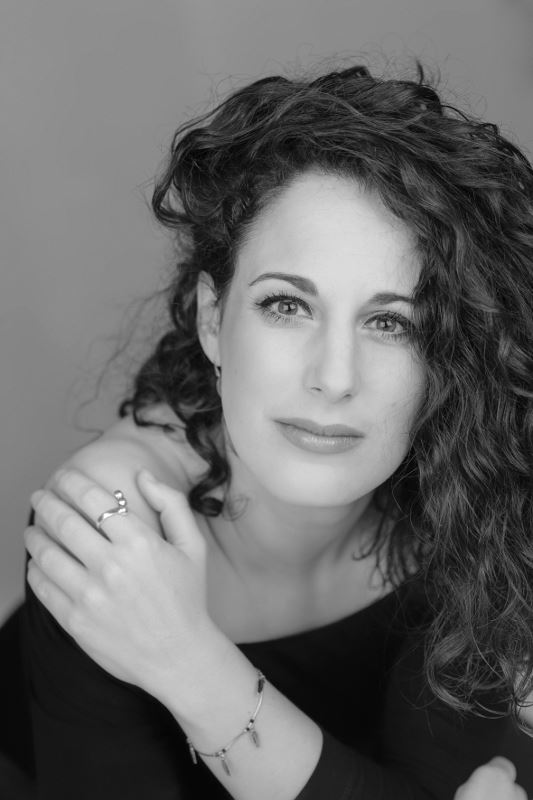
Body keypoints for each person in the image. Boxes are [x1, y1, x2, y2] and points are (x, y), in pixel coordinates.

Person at [21, 63, 533, 800]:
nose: (334, 376)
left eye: (391, 323)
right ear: (212, 320)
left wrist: (189, 664)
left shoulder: (472, 496)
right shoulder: (108, 529)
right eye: (287, 306)